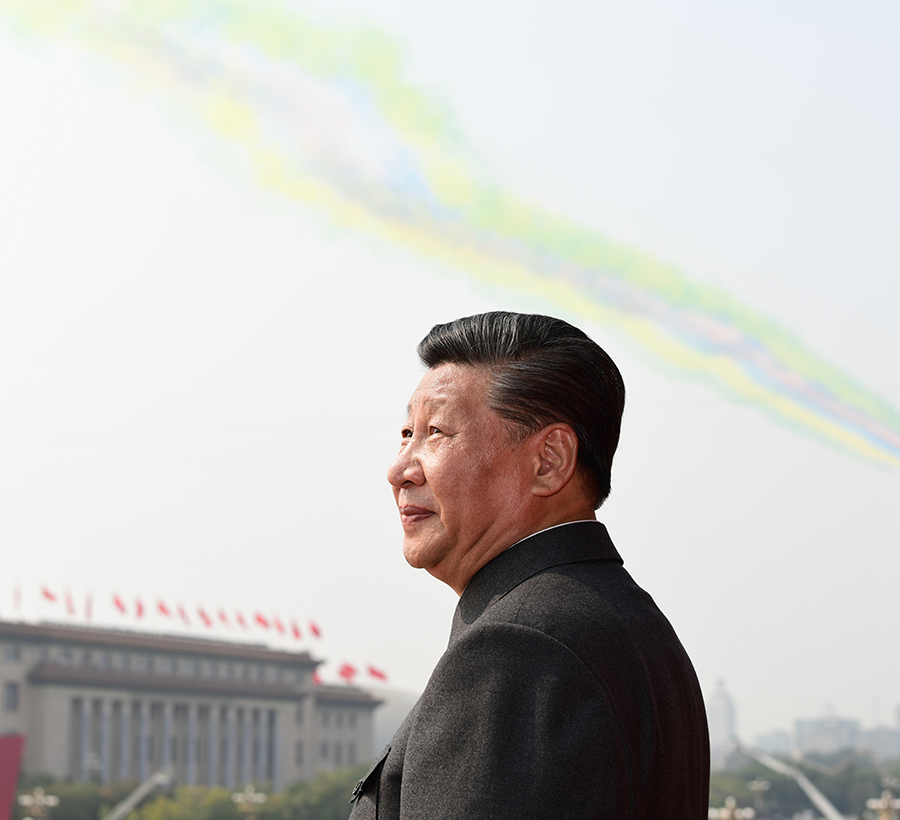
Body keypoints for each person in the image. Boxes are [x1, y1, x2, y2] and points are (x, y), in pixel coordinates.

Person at [348, 311, 709, 819]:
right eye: (407, 432)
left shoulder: (517, 649)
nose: (400, 469)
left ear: (549, 461)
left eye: (437, 432)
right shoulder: (629, 622)